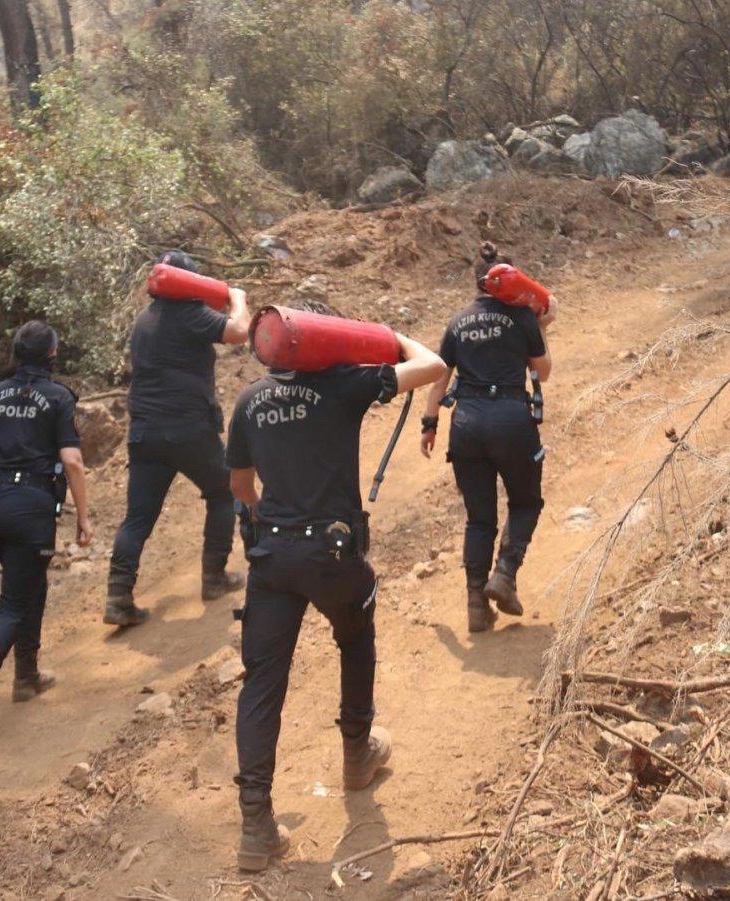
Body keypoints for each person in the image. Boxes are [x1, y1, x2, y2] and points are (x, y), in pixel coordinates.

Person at [225, 305, 446, 872]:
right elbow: (434, 364)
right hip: (333, 553)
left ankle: (256, 828)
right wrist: (387, 335)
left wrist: (270, 517)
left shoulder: (250, 402)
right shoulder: (346, 385)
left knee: (263, 684)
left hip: (271, 557)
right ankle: (356, 754)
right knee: (355, 637)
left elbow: (241, 486)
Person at [0, 321, 91, 742]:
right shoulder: (59, 397)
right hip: (30, 504)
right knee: (15, 600)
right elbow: (74, 462)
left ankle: (26, 675)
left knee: (29, 583)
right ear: (53, 355)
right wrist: (83, 516)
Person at [103, 250, 251, 626]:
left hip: (144, 432)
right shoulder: (190, 314)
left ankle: (118, 597)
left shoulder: (144, 319)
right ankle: (214, 576)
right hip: (187, 428)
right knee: (224, 490)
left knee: (138, 517)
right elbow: (238, 332)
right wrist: (238, 299)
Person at [419, 242, 556, 632]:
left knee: (479, 519)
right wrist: (541, 328)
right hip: (511, 421)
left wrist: (429, 425)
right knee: (526, 502)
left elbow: (438, 380)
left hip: (467, 427)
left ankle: (477, 604)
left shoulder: (458, 322)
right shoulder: (521, 318)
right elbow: (542, 373)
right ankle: (506, 575)